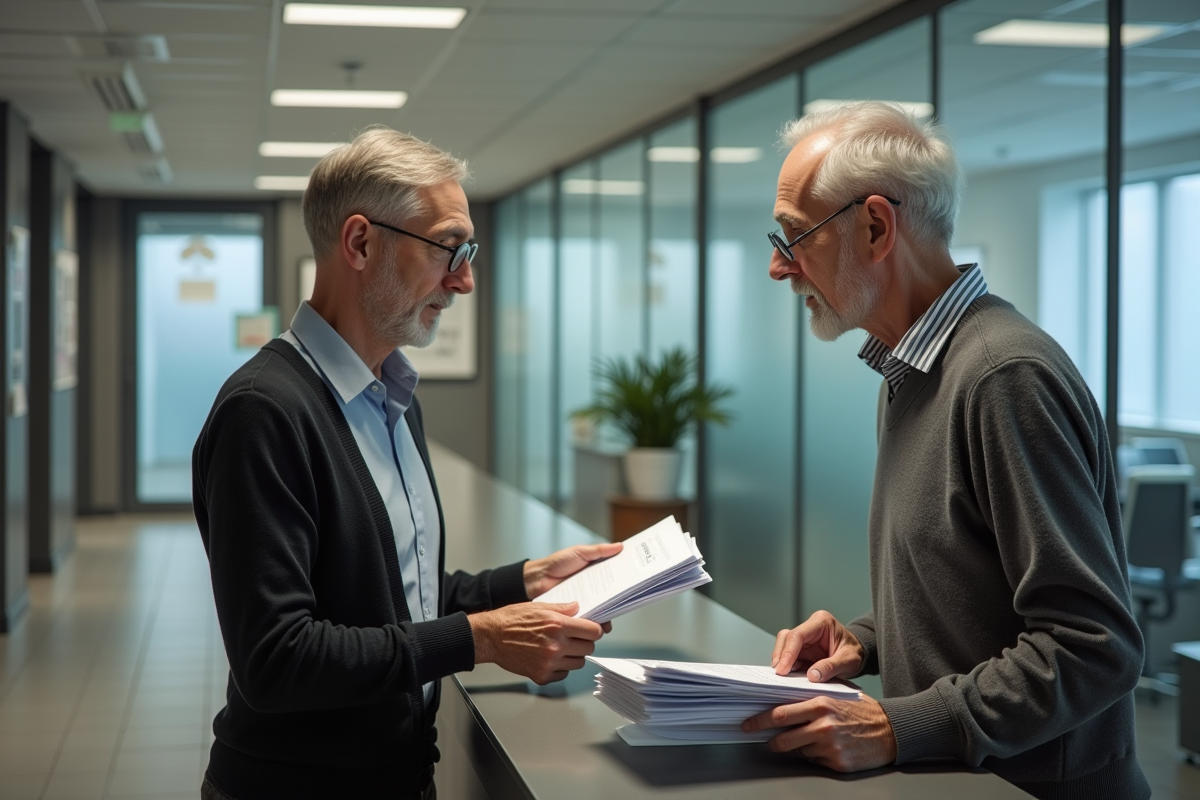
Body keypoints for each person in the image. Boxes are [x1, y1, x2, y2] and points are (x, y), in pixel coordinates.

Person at [192, 126, 621, 800]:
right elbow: (276, 659)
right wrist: (480, 639)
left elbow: (389, 597)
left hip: (398, 776)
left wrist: (523, 582)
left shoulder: (390, 396)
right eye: (449, 248)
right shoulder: (265, 411)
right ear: (360, 243)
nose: (466, 280)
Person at [741, 101, 1149, 800]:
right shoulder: (909, 372)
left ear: (873, 226)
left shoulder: (1001, 375)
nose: (782, 269)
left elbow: (1094, 647)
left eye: (793, 238)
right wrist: (865, 640)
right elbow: (976, 587)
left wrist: (902, 726)